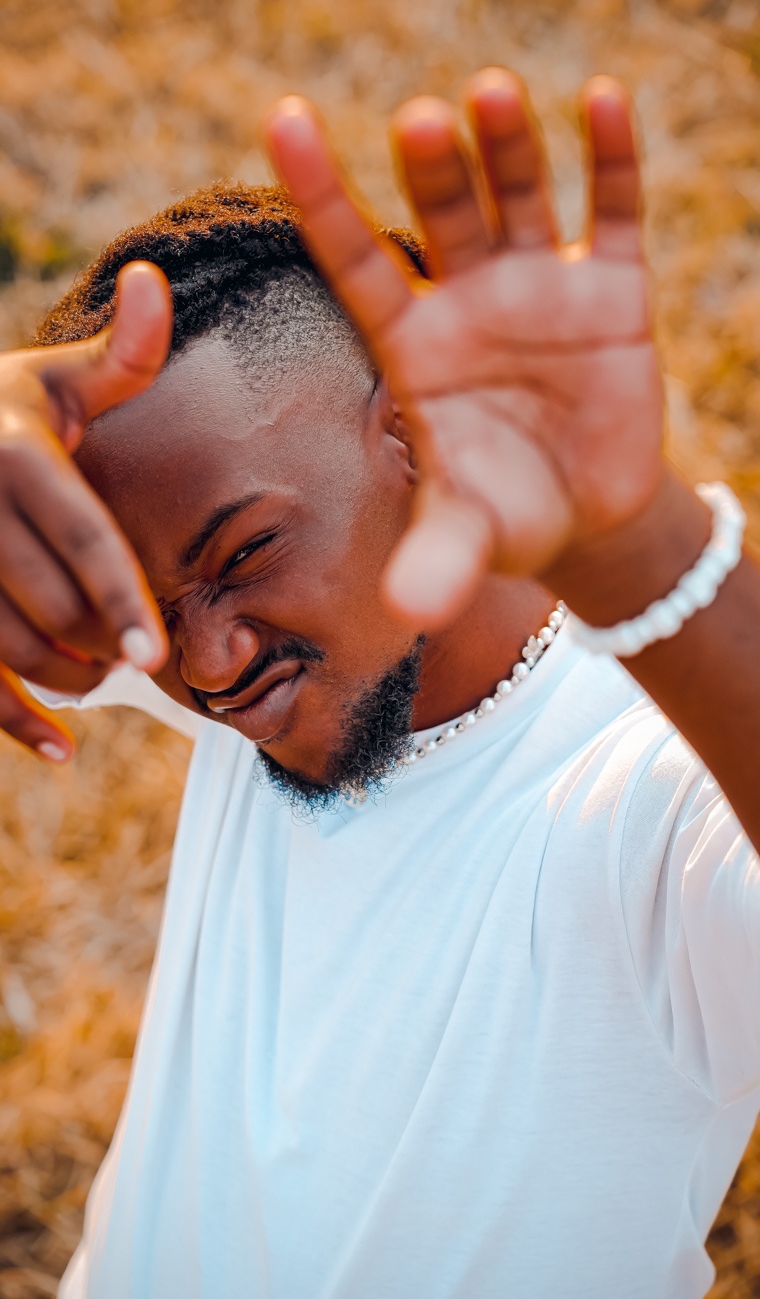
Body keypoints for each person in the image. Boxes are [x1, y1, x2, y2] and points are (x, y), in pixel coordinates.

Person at [0, 68, 758, 1299]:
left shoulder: (646, 801)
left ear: (415, 429)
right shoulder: (247, 663)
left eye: (244, 554)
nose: (204, 667)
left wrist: (642, 548)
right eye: (150, 601)